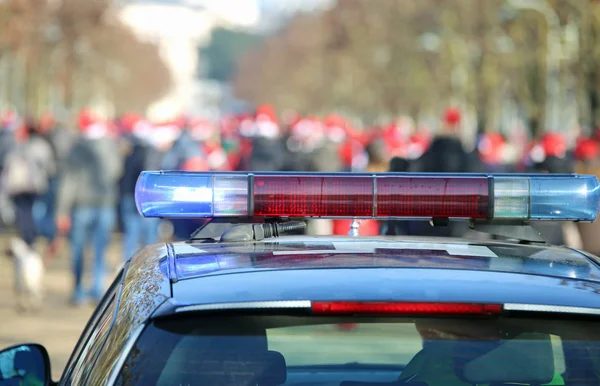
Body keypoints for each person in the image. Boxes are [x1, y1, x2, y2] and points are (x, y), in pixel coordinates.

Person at [55, 109, 123, 306]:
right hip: (104, 205)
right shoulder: (110, 146)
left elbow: (68, 182)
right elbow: (116, 172)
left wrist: (61, 211)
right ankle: (97, 290)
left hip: (81, 206)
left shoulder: (76, 148)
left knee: (78, 250)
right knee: (100, 250)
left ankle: (78, 291)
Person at [1, 119, 55, 251]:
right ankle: (32, 238)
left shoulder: (16, 146)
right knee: (31, 213)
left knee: (26, 213)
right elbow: (49, 166)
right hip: (33, 185)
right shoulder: (40, 146)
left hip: (21, 185)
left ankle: (31, 238)